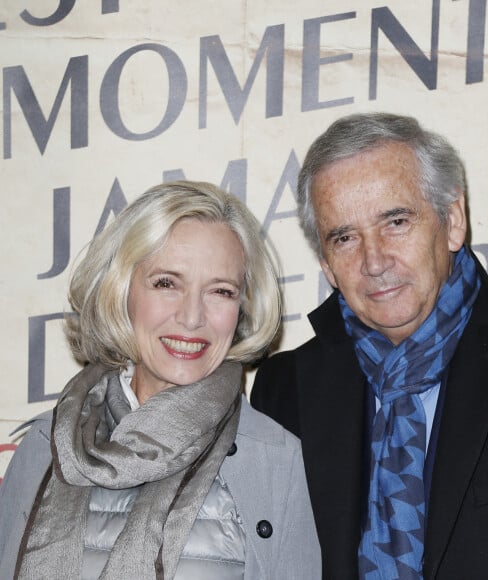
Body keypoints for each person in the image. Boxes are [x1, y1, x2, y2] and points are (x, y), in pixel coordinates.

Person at [251, 112, 488, 580]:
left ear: (453, 220)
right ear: (326, 265)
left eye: (396, 221)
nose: (374, 260)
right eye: (344, 237)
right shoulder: (284, 391)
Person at [0, 180, 321, 579]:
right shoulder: (47, 444)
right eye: (166, 283)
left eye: (220, 291)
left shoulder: (278, 461)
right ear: (121, 291)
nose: (191, 317)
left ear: (241, 308)